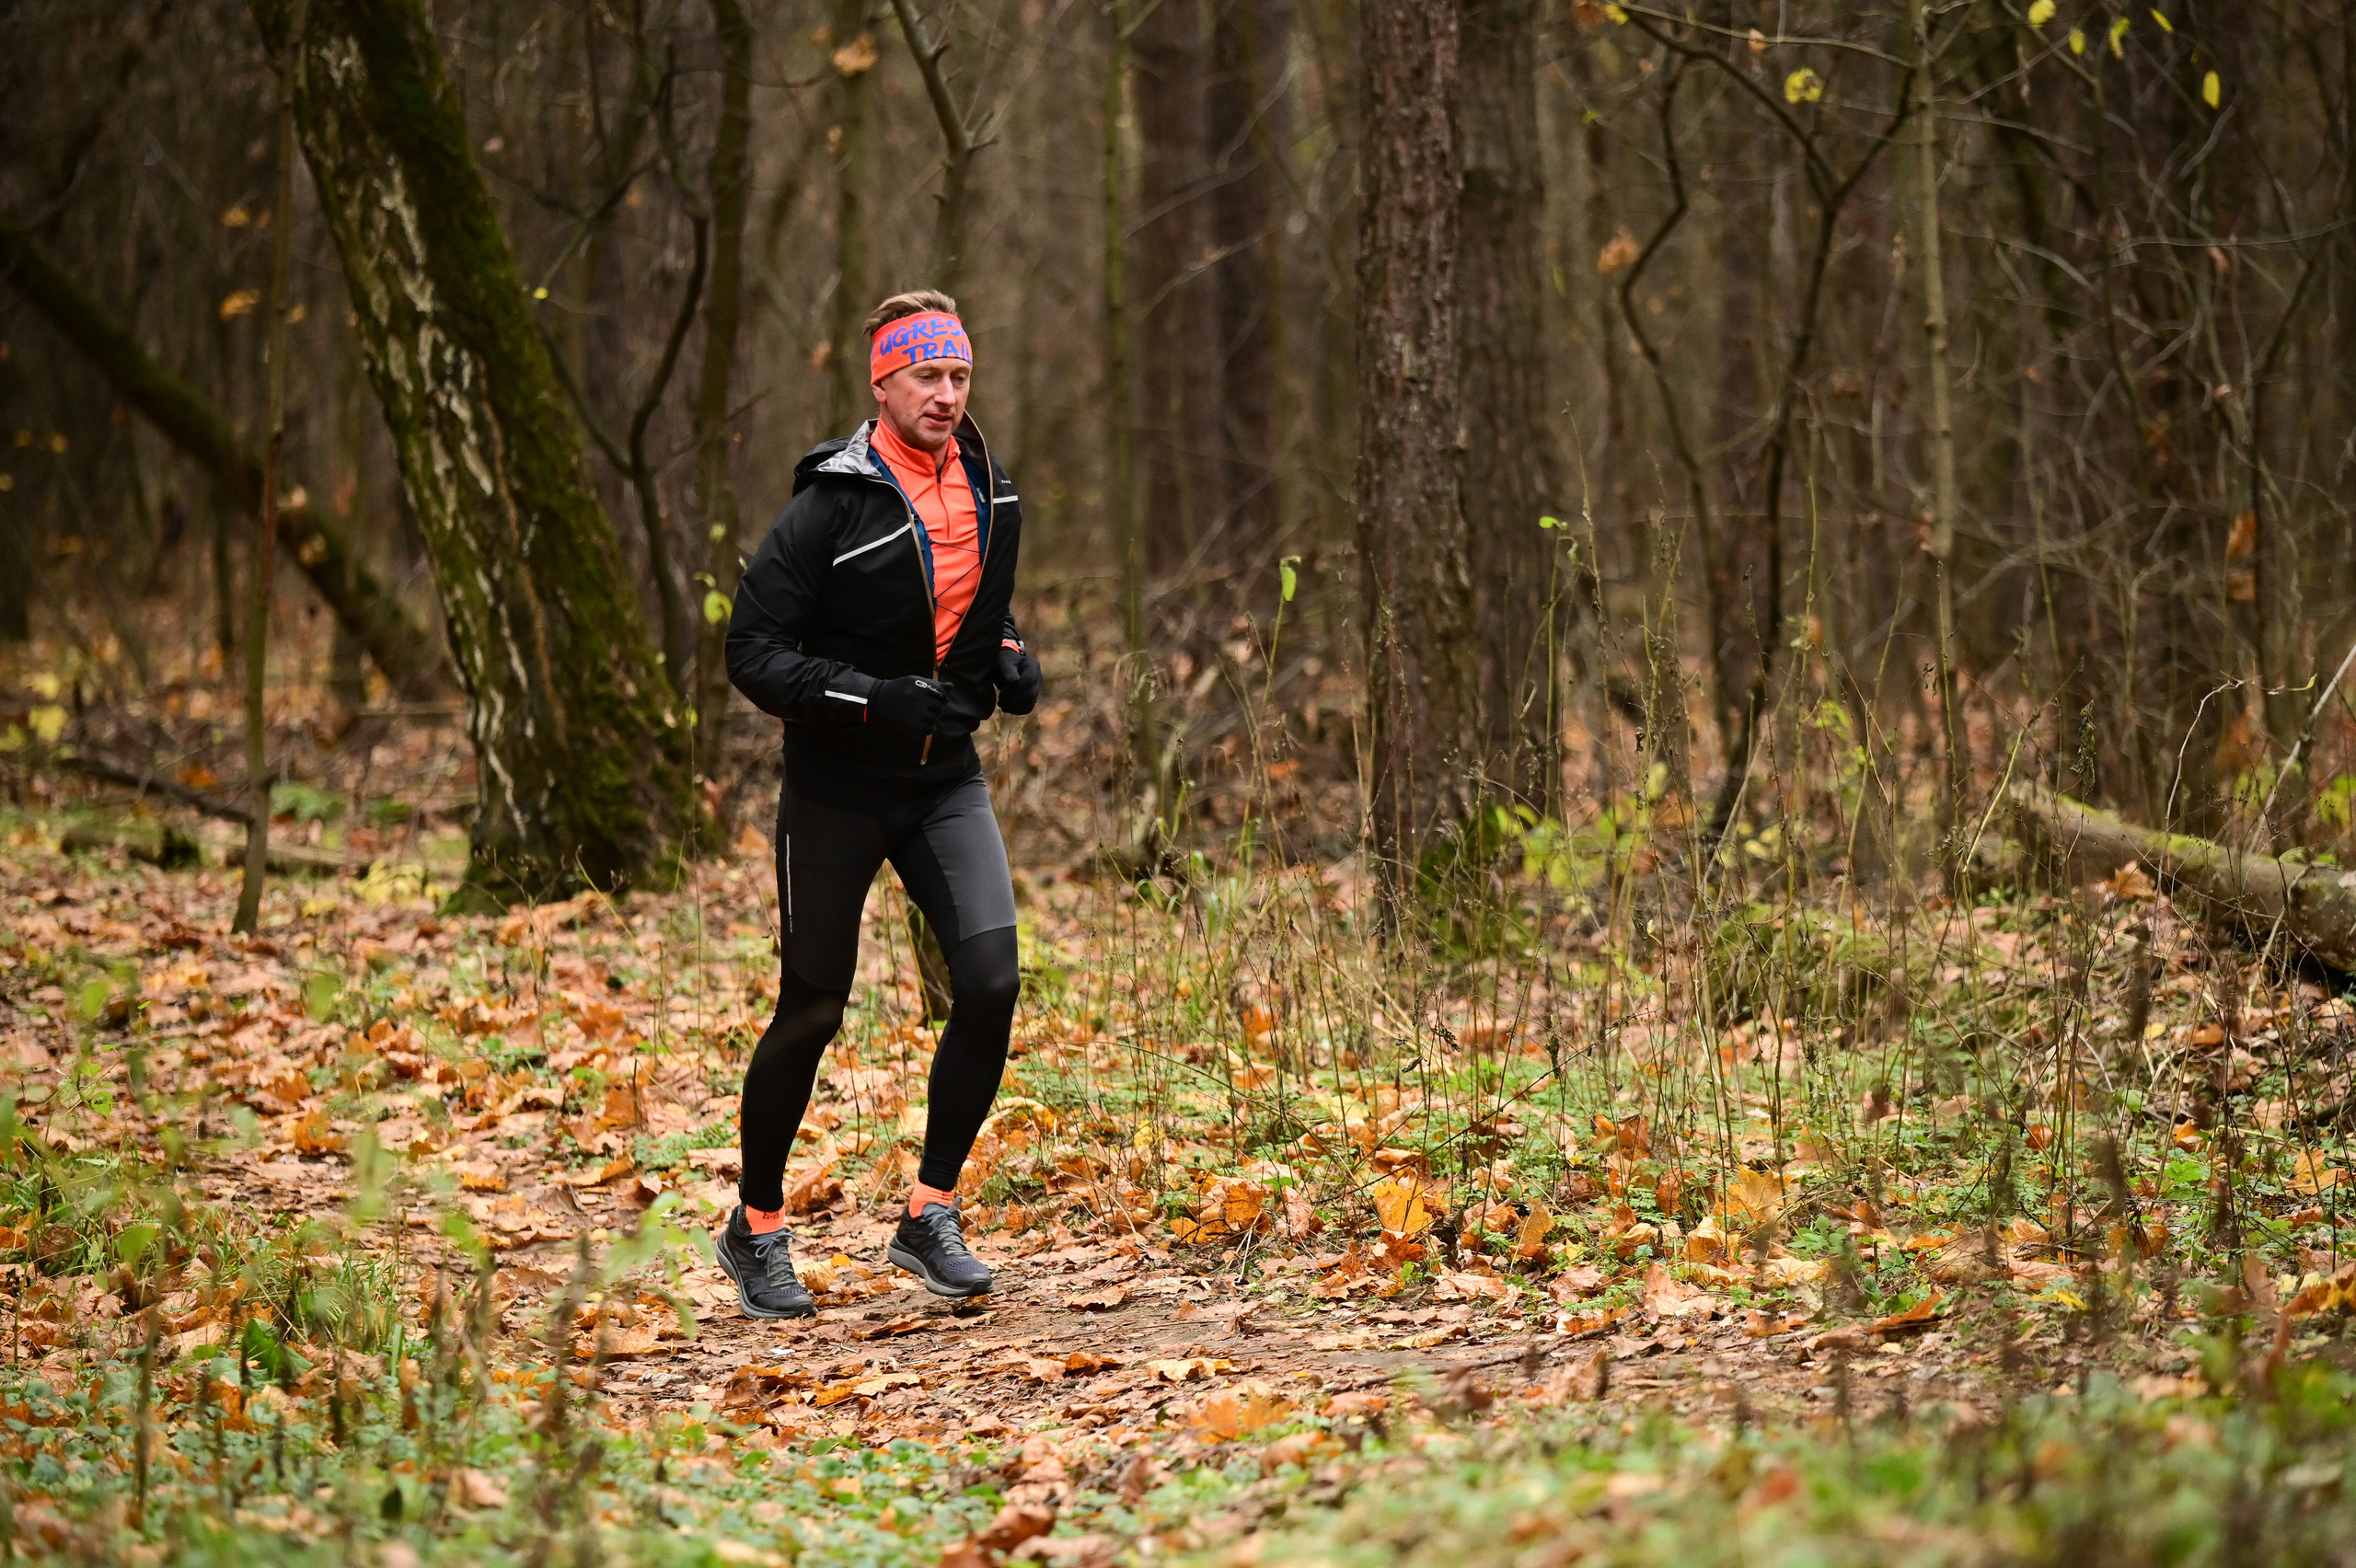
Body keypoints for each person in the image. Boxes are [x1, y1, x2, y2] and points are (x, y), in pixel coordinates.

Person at [715, 291, 1043, 1319]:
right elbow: (753, 654)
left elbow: (969, 611)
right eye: (927, 379)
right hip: (837, 788)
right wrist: (871, 697)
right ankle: (755, 1227)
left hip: (945, 780)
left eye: (959, 377)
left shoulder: (994, 496)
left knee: (989, 981)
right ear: (883, 384)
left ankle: (928, 1212)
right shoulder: (827, 508)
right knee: (812, 1008)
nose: (946, 396)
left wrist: (1013, 662)